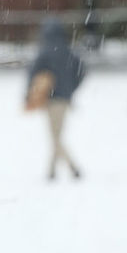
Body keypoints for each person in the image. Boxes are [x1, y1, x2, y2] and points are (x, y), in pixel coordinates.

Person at [27, 19, 85, 180]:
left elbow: (33, 74)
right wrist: (71, 88)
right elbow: (81, 71)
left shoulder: (44, 53)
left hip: (50, 99)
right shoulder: (68, 52)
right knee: (57, 134)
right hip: (64, 99)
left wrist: (29, 93)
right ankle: (51, 170)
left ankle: (72, 167)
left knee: (55, 136)